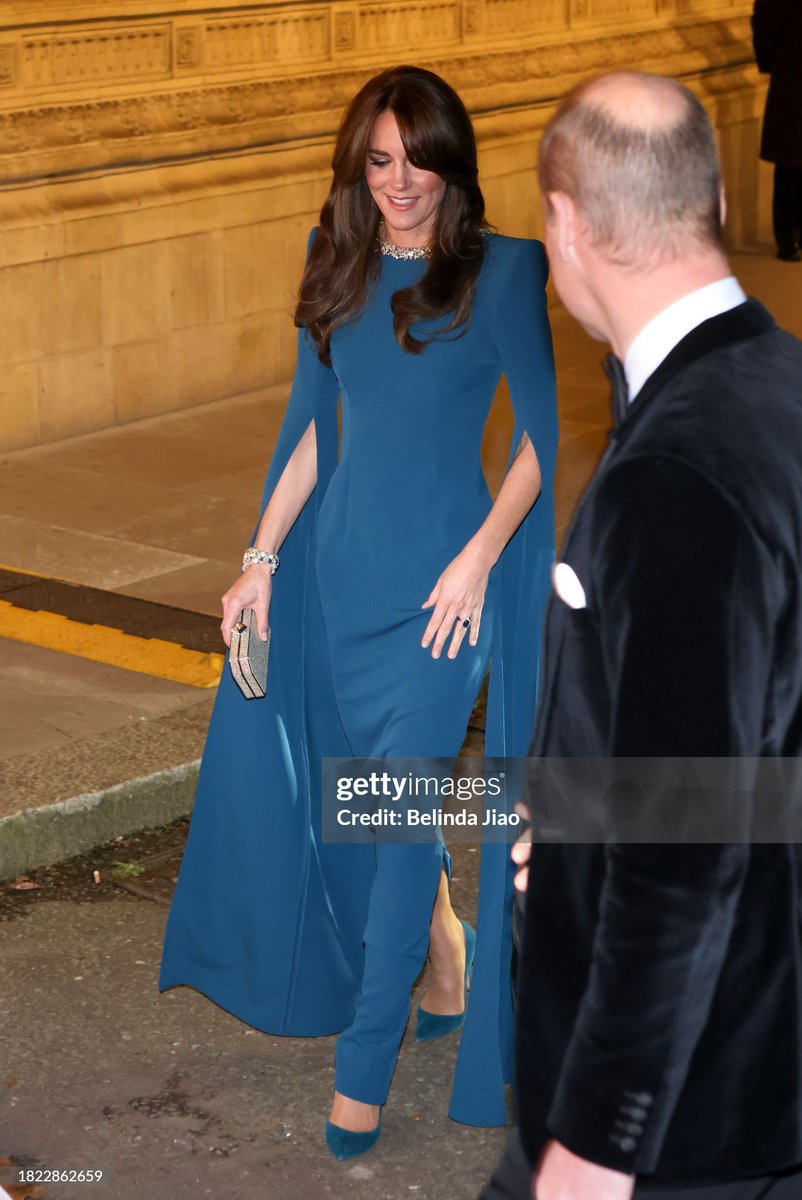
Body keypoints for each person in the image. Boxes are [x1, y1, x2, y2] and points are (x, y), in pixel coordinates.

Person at [159, 65, 557, 1159]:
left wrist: (480, 560)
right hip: (338, 581)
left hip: (441, 602)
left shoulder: (502, 272)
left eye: (419, 160)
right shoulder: (331, 261)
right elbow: (309, 423)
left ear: (451, 163)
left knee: (391, 818)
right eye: (379, 161)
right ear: (357, 167)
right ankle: (443, 959)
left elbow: (537, 439)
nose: (401, 183)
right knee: (380, 813)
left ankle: (360, 1072)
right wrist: (259, 559)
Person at [478, 71, 802, 1199]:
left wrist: (603, 1138)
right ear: (709, 195)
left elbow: (682, 845)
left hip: (680, 1115)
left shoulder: (672, 472)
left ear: (563, 224)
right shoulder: (782, 383)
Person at [752, 0, 802, 261]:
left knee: (791, 158)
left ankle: (790, 234)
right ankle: (788, 234)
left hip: (791, 71)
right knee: (791, 158)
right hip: (794, 74)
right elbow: (765, 28)